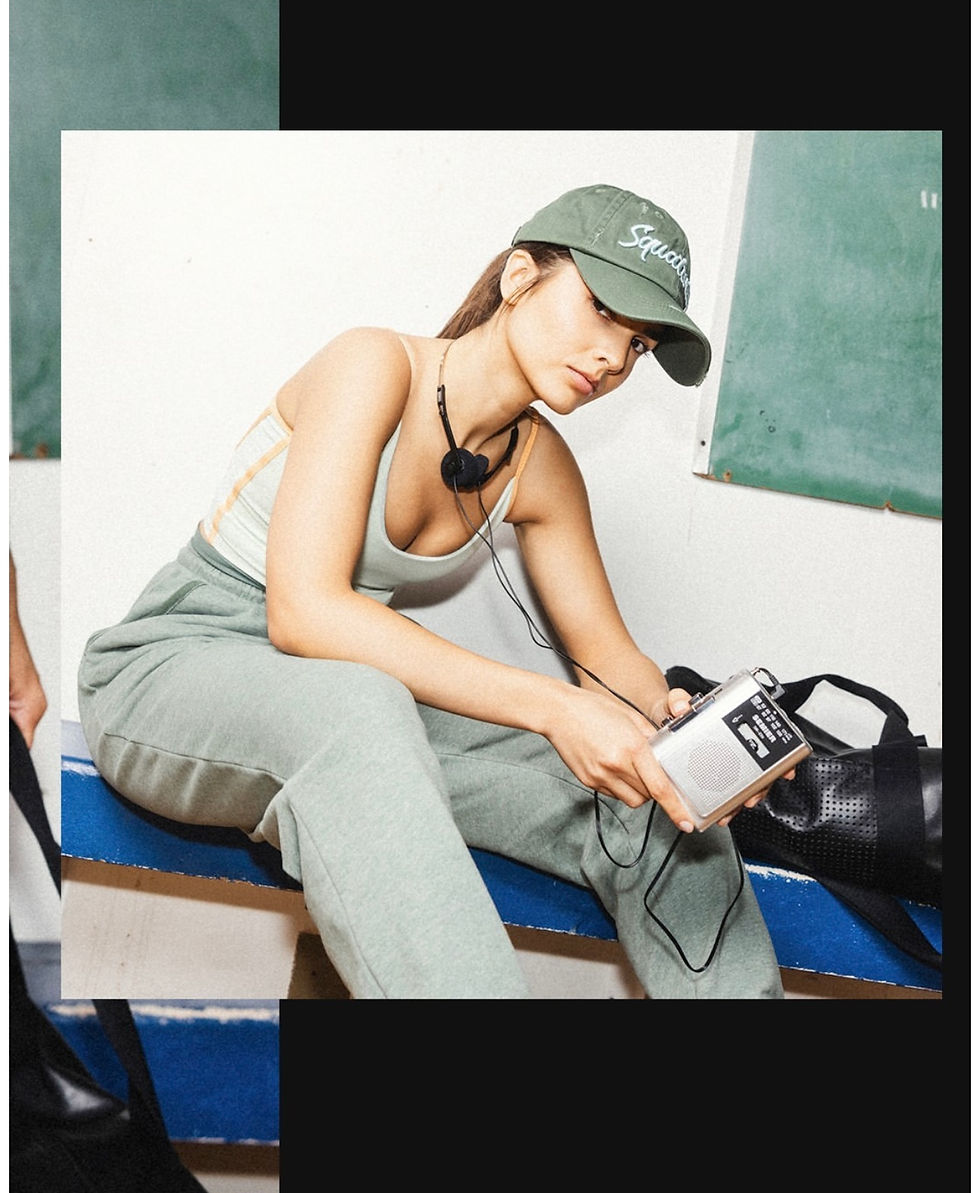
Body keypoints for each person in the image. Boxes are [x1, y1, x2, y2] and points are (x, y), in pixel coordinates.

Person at [77, 183, 789, 998]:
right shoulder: (373, 364)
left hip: (341, 702)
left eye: (638, 345)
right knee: (359, 706)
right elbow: (304, 610)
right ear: (520, 276)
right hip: (173, 669)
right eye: (599, 311)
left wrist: (688, 737)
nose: (612, 358)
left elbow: (609, 663)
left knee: (645, 796)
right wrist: (556, 708)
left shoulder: (541, 467)